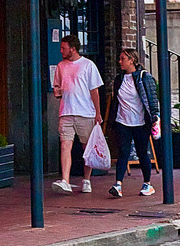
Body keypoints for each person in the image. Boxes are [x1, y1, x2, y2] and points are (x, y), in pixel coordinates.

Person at [50, 35, 104, 195]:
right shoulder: (60, 66)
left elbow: (94, 91)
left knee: (86, 147)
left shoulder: (88, 65)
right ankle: (65, 180)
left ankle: (86, 179)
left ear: (72, 49)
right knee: (65, 145)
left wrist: (97, 112)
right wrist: (57, 92)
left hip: (85, 112)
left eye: (63, 48)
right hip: (66, 111)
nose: (61, 51)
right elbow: (57, 88)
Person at [105, 46, 157, 199]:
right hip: (123, 122)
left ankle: (148, 183)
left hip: (140, 122)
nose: (120, 61)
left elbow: (152, 99)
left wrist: (155, 117)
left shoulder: (144, 77)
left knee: (142, 153)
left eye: (123, 59)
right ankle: (118, 184)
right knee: (123, 153)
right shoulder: (119, 79)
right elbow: (116, 100)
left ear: (132, 60)